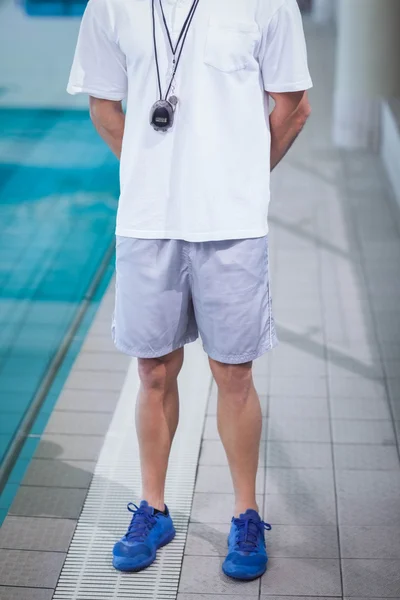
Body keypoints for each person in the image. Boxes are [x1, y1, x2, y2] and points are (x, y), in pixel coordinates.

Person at [68, 0, 312, 582]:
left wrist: (242, 179)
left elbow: (294, 107)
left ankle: (246, 513)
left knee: (234, 374)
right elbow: (104, 105)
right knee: (153, 371)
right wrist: (155, 174)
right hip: (147, 223)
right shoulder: (111, 5)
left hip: (230, 226)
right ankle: (152, 508)